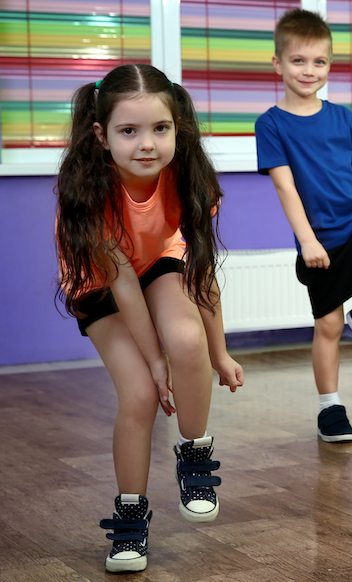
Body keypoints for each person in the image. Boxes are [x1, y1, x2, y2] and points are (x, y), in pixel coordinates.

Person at [55, 63, 244, 573]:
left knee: (188, 341)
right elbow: (121, 286)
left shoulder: (189, 180)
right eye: (129, 131)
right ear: (101, 135)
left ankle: (194, 451)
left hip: (157, 261)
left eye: (160, 129)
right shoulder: (92, 194)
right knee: (139, 393)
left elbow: (201, 268)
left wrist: (219, 351)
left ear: (176, 129)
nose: (147, 144)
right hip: (100, 284)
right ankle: (131, 517)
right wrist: (154, 365)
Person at [255, 9, 352, 443]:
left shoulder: (342, 117)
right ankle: (330, 409)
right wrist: (307, 241)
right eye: (298, 61)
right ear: (278, 64)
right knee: (327, 325)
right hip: (321, 238)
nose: (309, 71)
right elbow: (286, 188)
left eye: (319, 62)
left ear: (329, 66)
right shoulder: (270, 124)